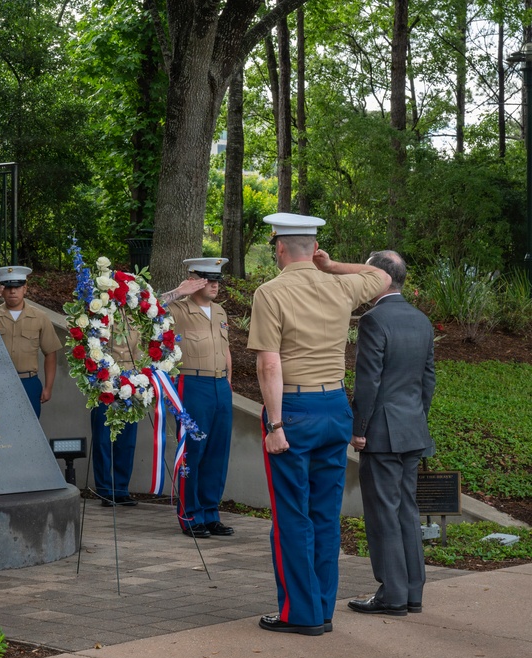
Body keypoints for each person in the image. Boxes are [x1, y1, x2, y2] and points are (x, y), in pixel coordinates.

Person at [248, 212, 390, 636]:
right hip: (334, 408)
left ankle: (301, 614)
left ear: (279, 248)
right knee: (326, 515)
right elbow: (381, 276)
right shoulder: (341, 284)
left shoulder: (270, 292)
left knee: (293, 515)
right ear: (313, 248)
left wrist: (275, 427)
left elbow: (269, 364)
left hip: (293, 409)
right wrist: (331, 267)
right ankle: (322, 609)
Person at [348, 250, 435, 617]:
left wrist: (359, 428)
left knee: (383, 513)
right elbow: (427, 380)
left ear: (380, 279)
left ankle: (392, 594)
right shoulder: (421, 320)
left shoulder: (373, 320)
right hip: (412, 429)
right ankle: (413, 591)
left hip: (381, 433)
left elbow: (368, 381)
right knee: (406, 511)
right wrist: (415, 418)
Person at [161, 257, 233, 538]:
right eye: (207, 279)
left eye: (216, 280)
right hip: (192, 383)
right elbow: (144, 310)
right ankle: (190, 515)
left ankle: (210, 513)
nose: (215, 284)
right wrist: (179, 291)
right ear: (194, 279)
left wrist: (228, 379)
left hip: (220, 387)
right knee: (193, 451)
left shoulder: (220, 312)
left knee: (217, 452)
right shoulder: (177, 309)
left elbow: (225, 348)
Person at [0, 266, 61, 418]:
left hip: (28, 383)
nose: (13, 291)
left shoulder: (40, 317)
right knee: (0, 430)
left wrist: (48, 387)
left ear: (25, 289)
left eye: (17, 287)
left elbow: (50, 353)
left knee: (31, 432)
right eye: (8, 287)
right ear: (1, 290)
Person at [91, 328, 141, 507]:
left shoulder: (135, 320)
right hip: (105, 384)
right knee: (103, 440)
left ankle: (121, 490)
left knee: (127, 440)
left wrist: (138, 381)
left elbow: (138, 353)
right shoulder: (102, 315)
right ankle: (105, 490)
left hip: (130, 386)